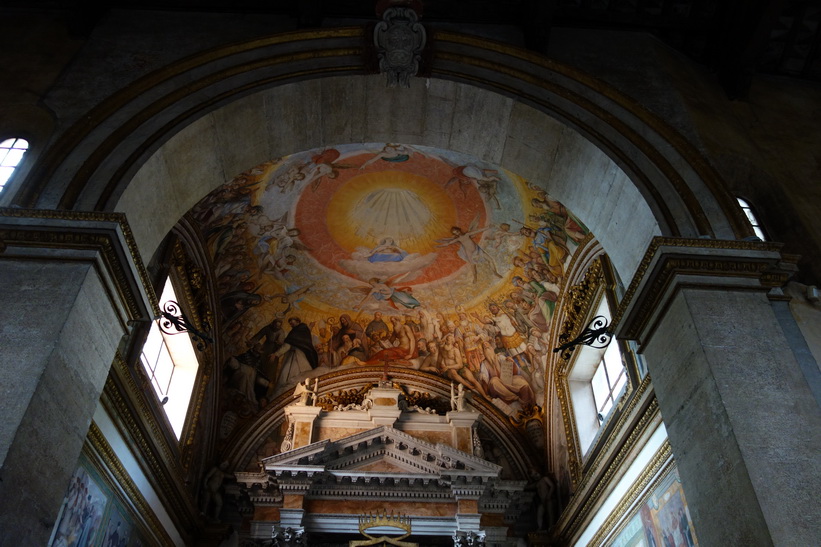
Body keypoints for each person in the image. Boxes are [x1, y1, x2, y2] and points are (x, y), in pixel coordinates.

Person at [271, 317, 319, 388]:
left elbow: (288, 345)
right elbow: (305, 334)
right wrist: (310, 326)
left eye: (292, 323)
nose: (291, 325)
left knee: (289, 374)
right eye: (290, 324)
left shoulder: (296, 332)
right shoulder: (303, 330)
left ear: (297, 322)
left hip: (295, 356)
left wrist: (276, 354)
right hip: (302, 356)